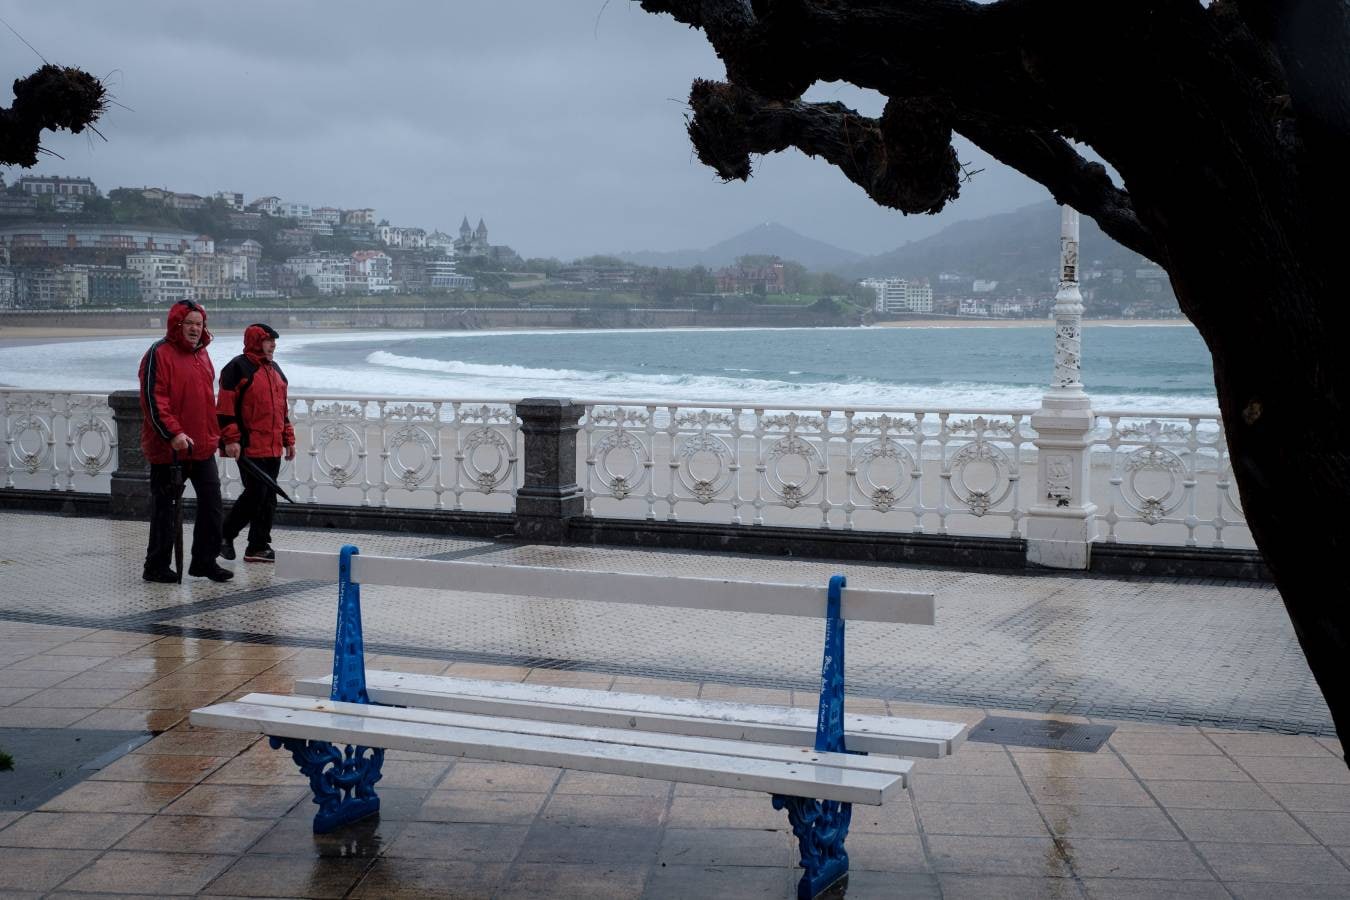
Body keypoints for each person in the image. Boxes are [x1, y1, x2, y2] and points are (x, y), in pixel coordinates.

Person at [139, 299, 232, 583]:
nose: (194, 328)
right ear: (177, 325)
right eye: (189, 323)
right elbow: (155, 400)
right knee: (166, 509)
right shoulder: (159, 353)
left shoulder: (202, 354)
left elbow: (207, 400)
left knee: (212, 504)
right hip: (170, 449)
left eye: (199, 323)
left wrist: (218, 435)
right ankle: (155, 565)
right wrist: (174, 433)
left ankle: (204, 561)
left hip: (202, 445)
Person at [217, 322, 295, 563]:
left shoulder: (276, 370)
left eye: (274, 341)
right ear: (255, 341)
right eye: (267, 340)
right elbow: (225, 408)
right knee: (255, 494)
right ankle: (224, 535)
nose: (272, 345)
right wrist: (231, 439)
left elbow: (282, 409)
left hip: (272, 446)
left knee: (268, 497)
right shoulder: (237, 368)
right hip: (248, 445)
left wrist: (288, 439)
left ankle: (257, 546)